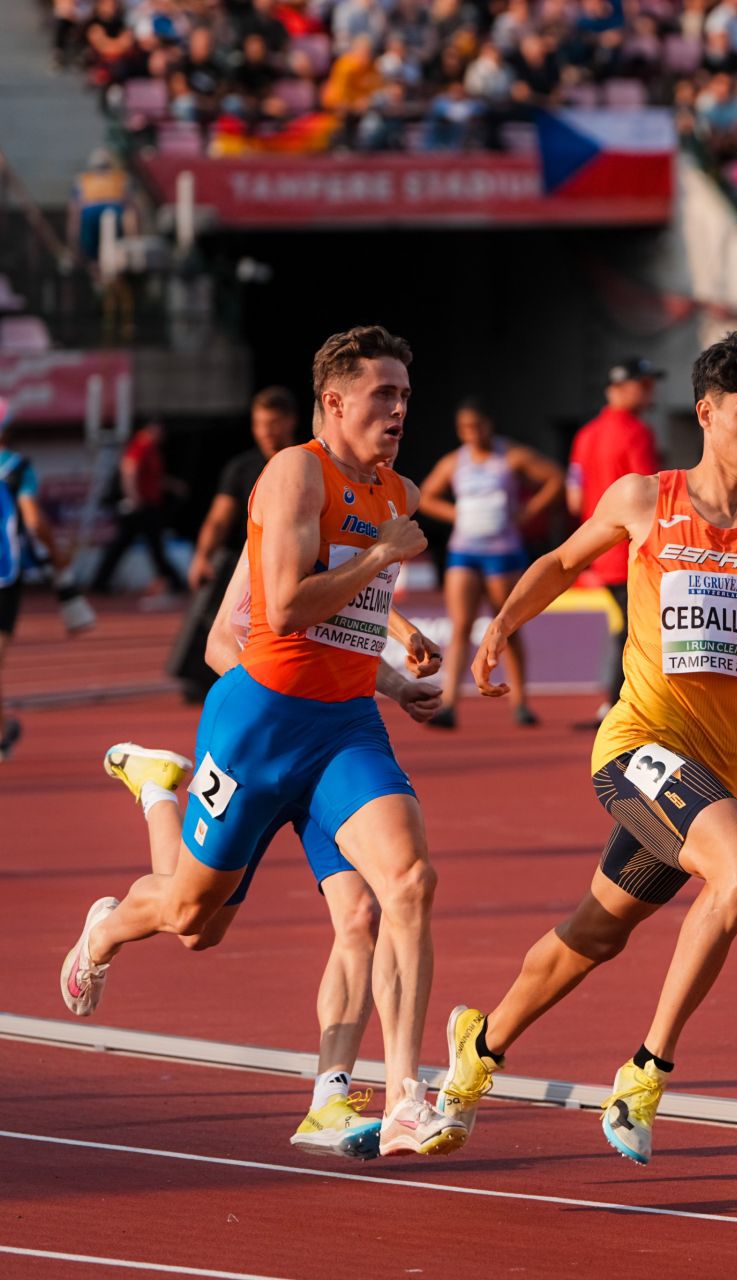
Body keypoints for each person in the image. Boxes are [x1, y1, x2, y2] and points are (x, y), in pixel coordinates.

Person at [434, 333, 737, 1167]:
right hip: (636, 748)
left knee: (596, 932)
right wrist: (501, 628)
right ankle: (645, 1072)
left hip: (701, 778)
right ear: (706, 413)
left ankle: (476, 1052)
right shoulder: (645, 500)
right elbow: (562, 559)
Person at [58, 325, 465, 1157]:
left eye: (405, 396)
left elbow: (346, 602)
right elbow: (279, 612)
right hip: (258, 726)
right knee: (190, 919)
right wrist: (384, 558)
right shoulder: (292, 474)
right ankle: (120, 889)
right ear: (335, 402)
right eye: (383, 395)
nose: (398, 410)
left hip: (346, 729)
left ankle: (390, 1097)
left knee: (398, 887)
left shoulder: (402, 493)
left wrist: (394, 664)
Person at [103, 544, 447, 1157]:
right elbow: (220, 646)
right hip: (256, 751)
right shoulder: (282, 519)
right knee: (193, 924)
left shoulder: (373, 515)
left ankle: (329, 1100)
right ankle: (155, 800)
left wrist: (394, 674)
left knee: (363, 915)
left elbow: (349, 628)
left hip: (333, 753)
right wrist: (280, 706)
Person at [415, 399, 564, 729]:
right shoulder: (455, 462)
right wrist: (455, 513)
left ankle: (520, 702)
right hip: (465, 550)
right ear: (459, 430)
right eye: (465, 428)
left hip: (503, 551)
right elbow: (425, 495)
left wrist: (528, 512)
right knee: (461, 626)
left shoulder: (509, 456)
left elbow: (554, 477)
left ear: (488, 425)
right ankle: (450, 703)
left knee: (507, 625)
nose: (473, 433)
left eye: (477, 426)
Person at [170, 387, 299, 702]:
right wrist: (202, 556)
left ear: (290, 422)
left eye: (273, 423)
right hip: (249, 567)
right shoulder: (241, 468)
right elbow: (218, 518)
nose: (265, 432)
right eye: (259, 424)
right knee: (223, 625)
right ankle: (234, 691)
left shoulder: (309, 464)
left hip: (295, 567)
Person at [568, 358, 664, 720]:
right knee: (637, 629)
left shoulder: (586, 435)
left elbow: (574, 498)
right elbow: (650, 495)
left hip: (600, 546)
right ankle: (616, 705)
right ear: (622, 387)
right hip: (632, 548)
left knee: (628, 625)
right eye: (645, 384)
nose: (651, 390)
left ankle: (615, 702)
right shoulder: (637, 433)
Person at [1, 400, 91, 761]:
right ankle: (4, 730)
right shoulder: (18, 468)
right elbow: (34, 520)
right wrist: (56, 556)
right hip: (6, 573)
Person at [90, 420, 189, 596]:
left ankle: (100, 581)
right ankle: (175, 582)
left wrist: (173, 485)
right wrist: (133, 497)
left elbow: (153, 477)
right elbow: (129, 470)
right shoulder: (141, 445)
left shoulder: (152, 449)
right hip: (142, 507)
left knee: (128, 545)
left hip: (147, 505)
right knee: (151, 546)